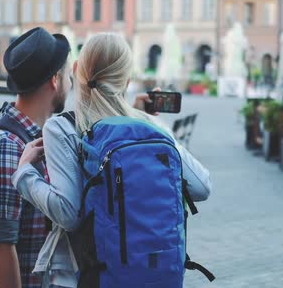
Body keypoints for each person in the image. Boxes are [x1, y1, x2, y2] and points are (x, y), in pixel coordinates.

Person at [11, 33, 212, 287]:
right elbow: (202, 186)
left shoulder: (62, 128)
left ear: (76, 71)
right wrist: (147, 124)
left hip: (89, 275)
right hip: (155, 274)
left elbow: (69, 212)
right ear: (127, 81)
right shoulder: (150, 124)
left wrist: (24, 174)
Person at [0, 27, 72, 288]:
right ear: (55, 80)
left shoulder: (39, 138)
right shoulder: (6, 146)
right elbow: (0, 245)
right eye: (68, 75)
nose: (71, 83)